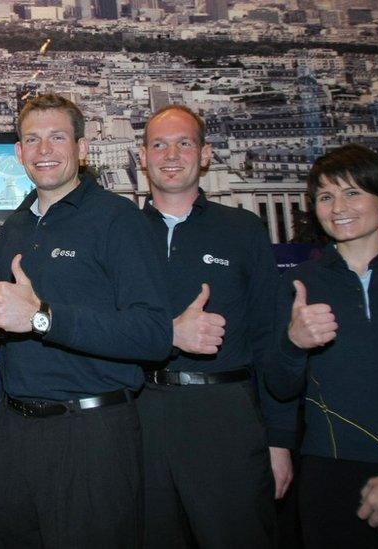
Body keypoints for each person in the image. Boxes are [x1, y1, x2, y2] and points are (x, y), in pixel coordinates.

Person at [0, 93, 172, 548]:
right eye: (32, 139)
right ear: (18, 153)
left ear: (83, 149)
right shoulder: (15, 226)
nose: (43, 150)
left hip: (92, 435)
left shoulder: (118, 220)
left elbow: (153, 335)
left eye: (57, 138)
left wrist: (43, 319)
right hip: (14, 431)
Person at [136, 104, 298, 548]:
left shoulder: (242, 230)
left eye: (183, 143)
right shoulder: (123, 232)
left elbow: (270, 336)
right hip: (141, 413)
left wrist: (279, 441)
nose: (171, 155)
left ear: (205, 154)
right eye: (159, 145)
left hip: (225, 413)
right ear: (142, 156)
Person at [269, 143, 378, 548]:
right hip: (329, 473)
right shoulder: (298, 284)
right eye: (326, 196)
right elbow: (278, 386)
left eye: (352, 192)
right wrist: (294, 345)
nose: (338, 206)